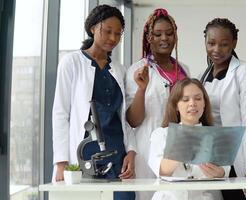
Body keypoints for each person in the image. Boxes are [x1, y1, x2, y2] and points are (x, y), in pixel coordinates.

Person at [52, 5, 136, 200]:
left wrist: (131, 151)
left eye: (118, 34)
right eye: (107, 31)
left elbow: (123, 117)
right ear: (92, 28)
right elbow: (60, 113)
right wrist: (61, 162)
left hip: (117, 155)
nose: (113, 38)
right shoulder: (71, 62)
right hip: (84, 155)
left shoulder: (120, 70)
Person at [125, 8, 189, 200]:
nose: (165, 38)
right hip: (148, 148)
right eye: (158, 34)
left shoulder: (184, 69)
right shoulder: (137, 70)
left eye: (170, 34)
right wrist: (141, 89)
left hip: (180, 147)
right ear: (149, 38)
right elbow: (133, 120)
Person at [200, 18, 246, 200]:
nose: (216, 50)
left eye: (224, 44)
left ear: (234, 43)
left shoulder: (244, 72)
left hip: (237, 157)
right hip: (213, 159)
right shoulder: (203, 75)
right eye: (211, 43)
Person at [148, 78, 230, 200]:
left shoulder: (215, 137)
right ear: (176, 105)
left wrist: (219, 173)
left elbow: (224, 172)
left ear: (204, 103)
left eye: (198, 99)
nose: (192, 103)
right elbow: (162, 171)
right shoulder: (161, 134)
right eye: (185, 99)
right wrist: (185, 142)